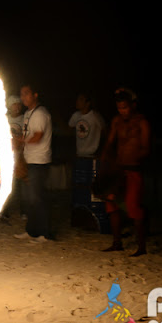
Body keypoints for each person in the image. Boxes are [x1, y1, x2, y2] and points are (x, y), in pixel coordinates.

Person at [98, 88, 150, 256]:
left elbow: (146, 148)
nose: (123, 111)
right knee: (111, 205)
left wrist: (134, 158)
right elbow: (110, 142)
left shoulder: (142, 122)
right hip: (118, 170)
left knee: (133, 207)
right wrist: (105, 159)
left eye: (125, 107)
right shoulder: (116, 121)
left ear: (132, 105)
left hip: (133, 170)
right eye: (120, 108)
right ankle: (117, 243)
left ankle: (141, 247)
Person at [14, 84, 53, 242]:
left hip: (39, 160)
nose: (23, 97)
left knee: (37, 198)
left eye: (26, 94)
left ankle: (44, 233)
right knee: (28, 198)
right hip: (29, 159)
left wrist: (20, 141)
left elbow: (37, 137)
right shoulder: (28, 114)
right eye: (21, 94)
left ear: (35, 95)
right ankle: (31, 231)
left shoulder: (40, 114)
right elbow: (29, 136)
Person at [68, 93, 106, 159]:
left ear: (88, 103)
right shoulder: (76, 115)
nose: (77, 102)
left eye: (81, 100)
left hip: (92, 155)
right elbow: (69, 130)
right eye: (77, 99)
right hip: (79, 154)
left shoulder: (95, 116)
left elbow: (105, 131)